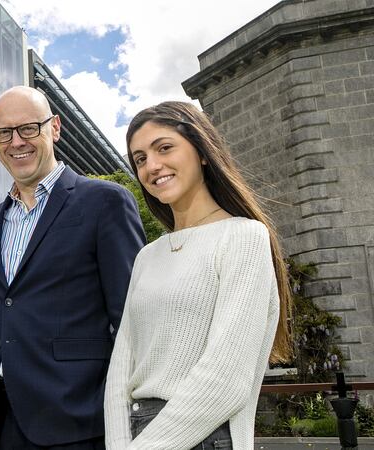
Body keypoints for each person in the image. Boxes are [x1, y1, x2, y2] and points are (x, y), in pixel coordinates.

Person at [104, 101, 293, 449]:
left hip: (206, 435)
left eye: (164, 148)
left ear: (203, 152)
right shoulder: (147, 256)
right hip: (138, 432)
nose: (152, 166)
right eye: (140, 159)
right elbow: (121, 370)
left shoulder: (244, 236)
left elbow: (226, 378)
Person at [0, 86, 146, 450]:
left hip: (76, 423)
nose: (16, 142)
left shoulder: (105, 202)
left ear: (55, 128)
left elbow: (134, 321)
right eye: (4, 133)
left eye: (28, 128)